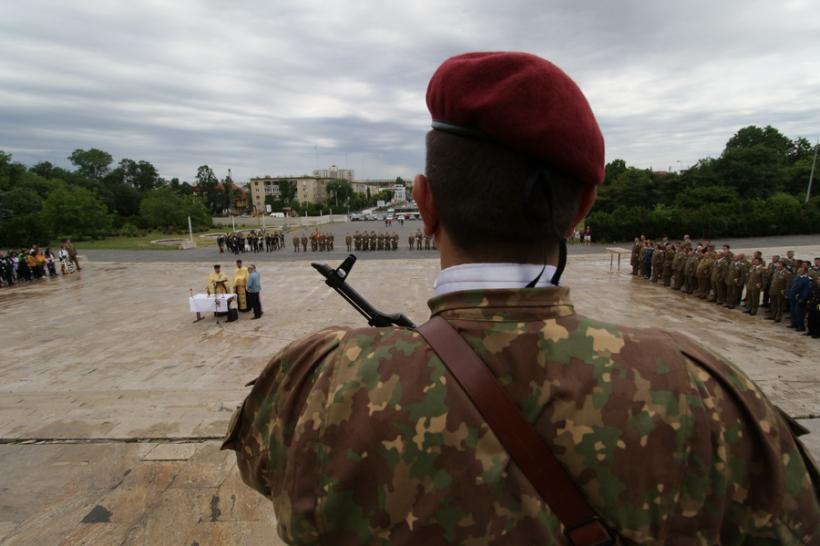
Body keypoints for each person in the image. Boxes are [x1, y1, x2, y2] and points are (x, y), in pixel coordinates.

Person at [222, 52, 820, 545]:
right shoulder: (708, 396)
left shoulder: (314, 380)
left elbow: (261, 472)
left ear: (425, 204)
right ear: (580, 211)